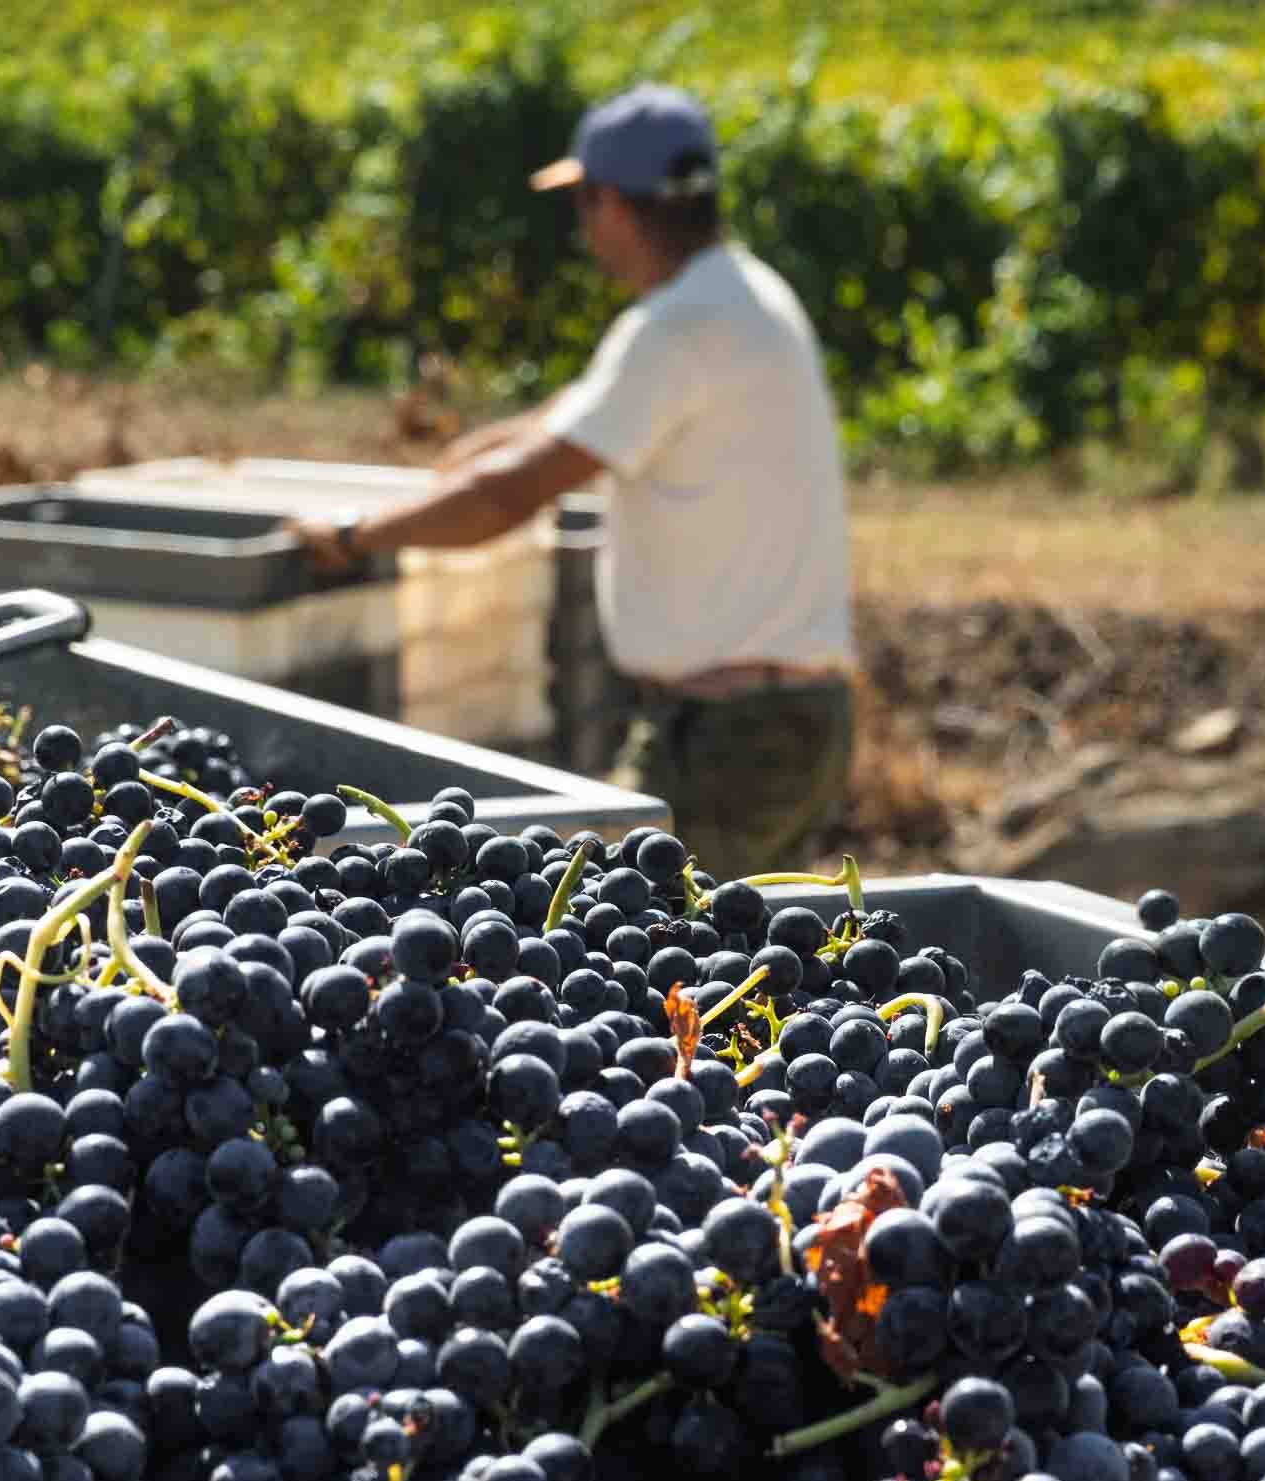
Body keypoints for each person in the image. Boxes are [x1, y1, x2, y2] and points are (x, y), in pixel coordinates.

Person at [289, 83, 857, 884]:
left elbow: (509, 498)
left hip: (730, 735)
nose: (584, 230)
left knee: (618, 920)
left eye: (583, 205)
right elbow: (585, 409)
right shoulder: (742, 295)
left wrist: (353, 535)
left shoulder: (674, 329)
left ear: (614, 204)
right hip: (778, 719)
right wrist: (492, 443)